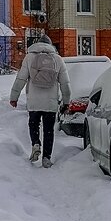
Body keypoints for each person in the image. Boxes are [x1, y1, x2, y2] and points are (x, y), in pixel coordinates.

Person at [9, 38, 71, 168]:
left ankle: (36, 144)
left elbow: (21, 79)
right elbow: (65, 84)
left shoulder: (29, 58)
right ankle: (46, 158)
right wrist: (66, 102)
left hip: (34, 101)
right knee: (48, 130)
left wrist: (14, 97)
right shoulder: (58, 59)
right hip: (50, 102)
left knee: (33, 124)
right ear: (50, 45)